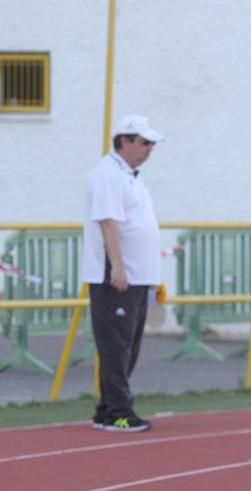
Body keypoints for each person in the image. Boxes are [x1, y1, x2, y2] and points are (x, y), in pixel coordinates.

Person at [81, 114, 164, 433]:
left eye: (151, 143)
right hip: (118, 275)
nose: (149, 148)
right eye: (144, 142)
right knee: (116, 345)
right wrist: (117, 265)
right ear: (124, 141)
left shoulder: (131, 175)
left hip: (137, 275)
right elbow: (108, 221)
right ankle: (118, 410)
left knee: (127, 344)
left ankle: (107, 408)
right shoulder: (108, 174)